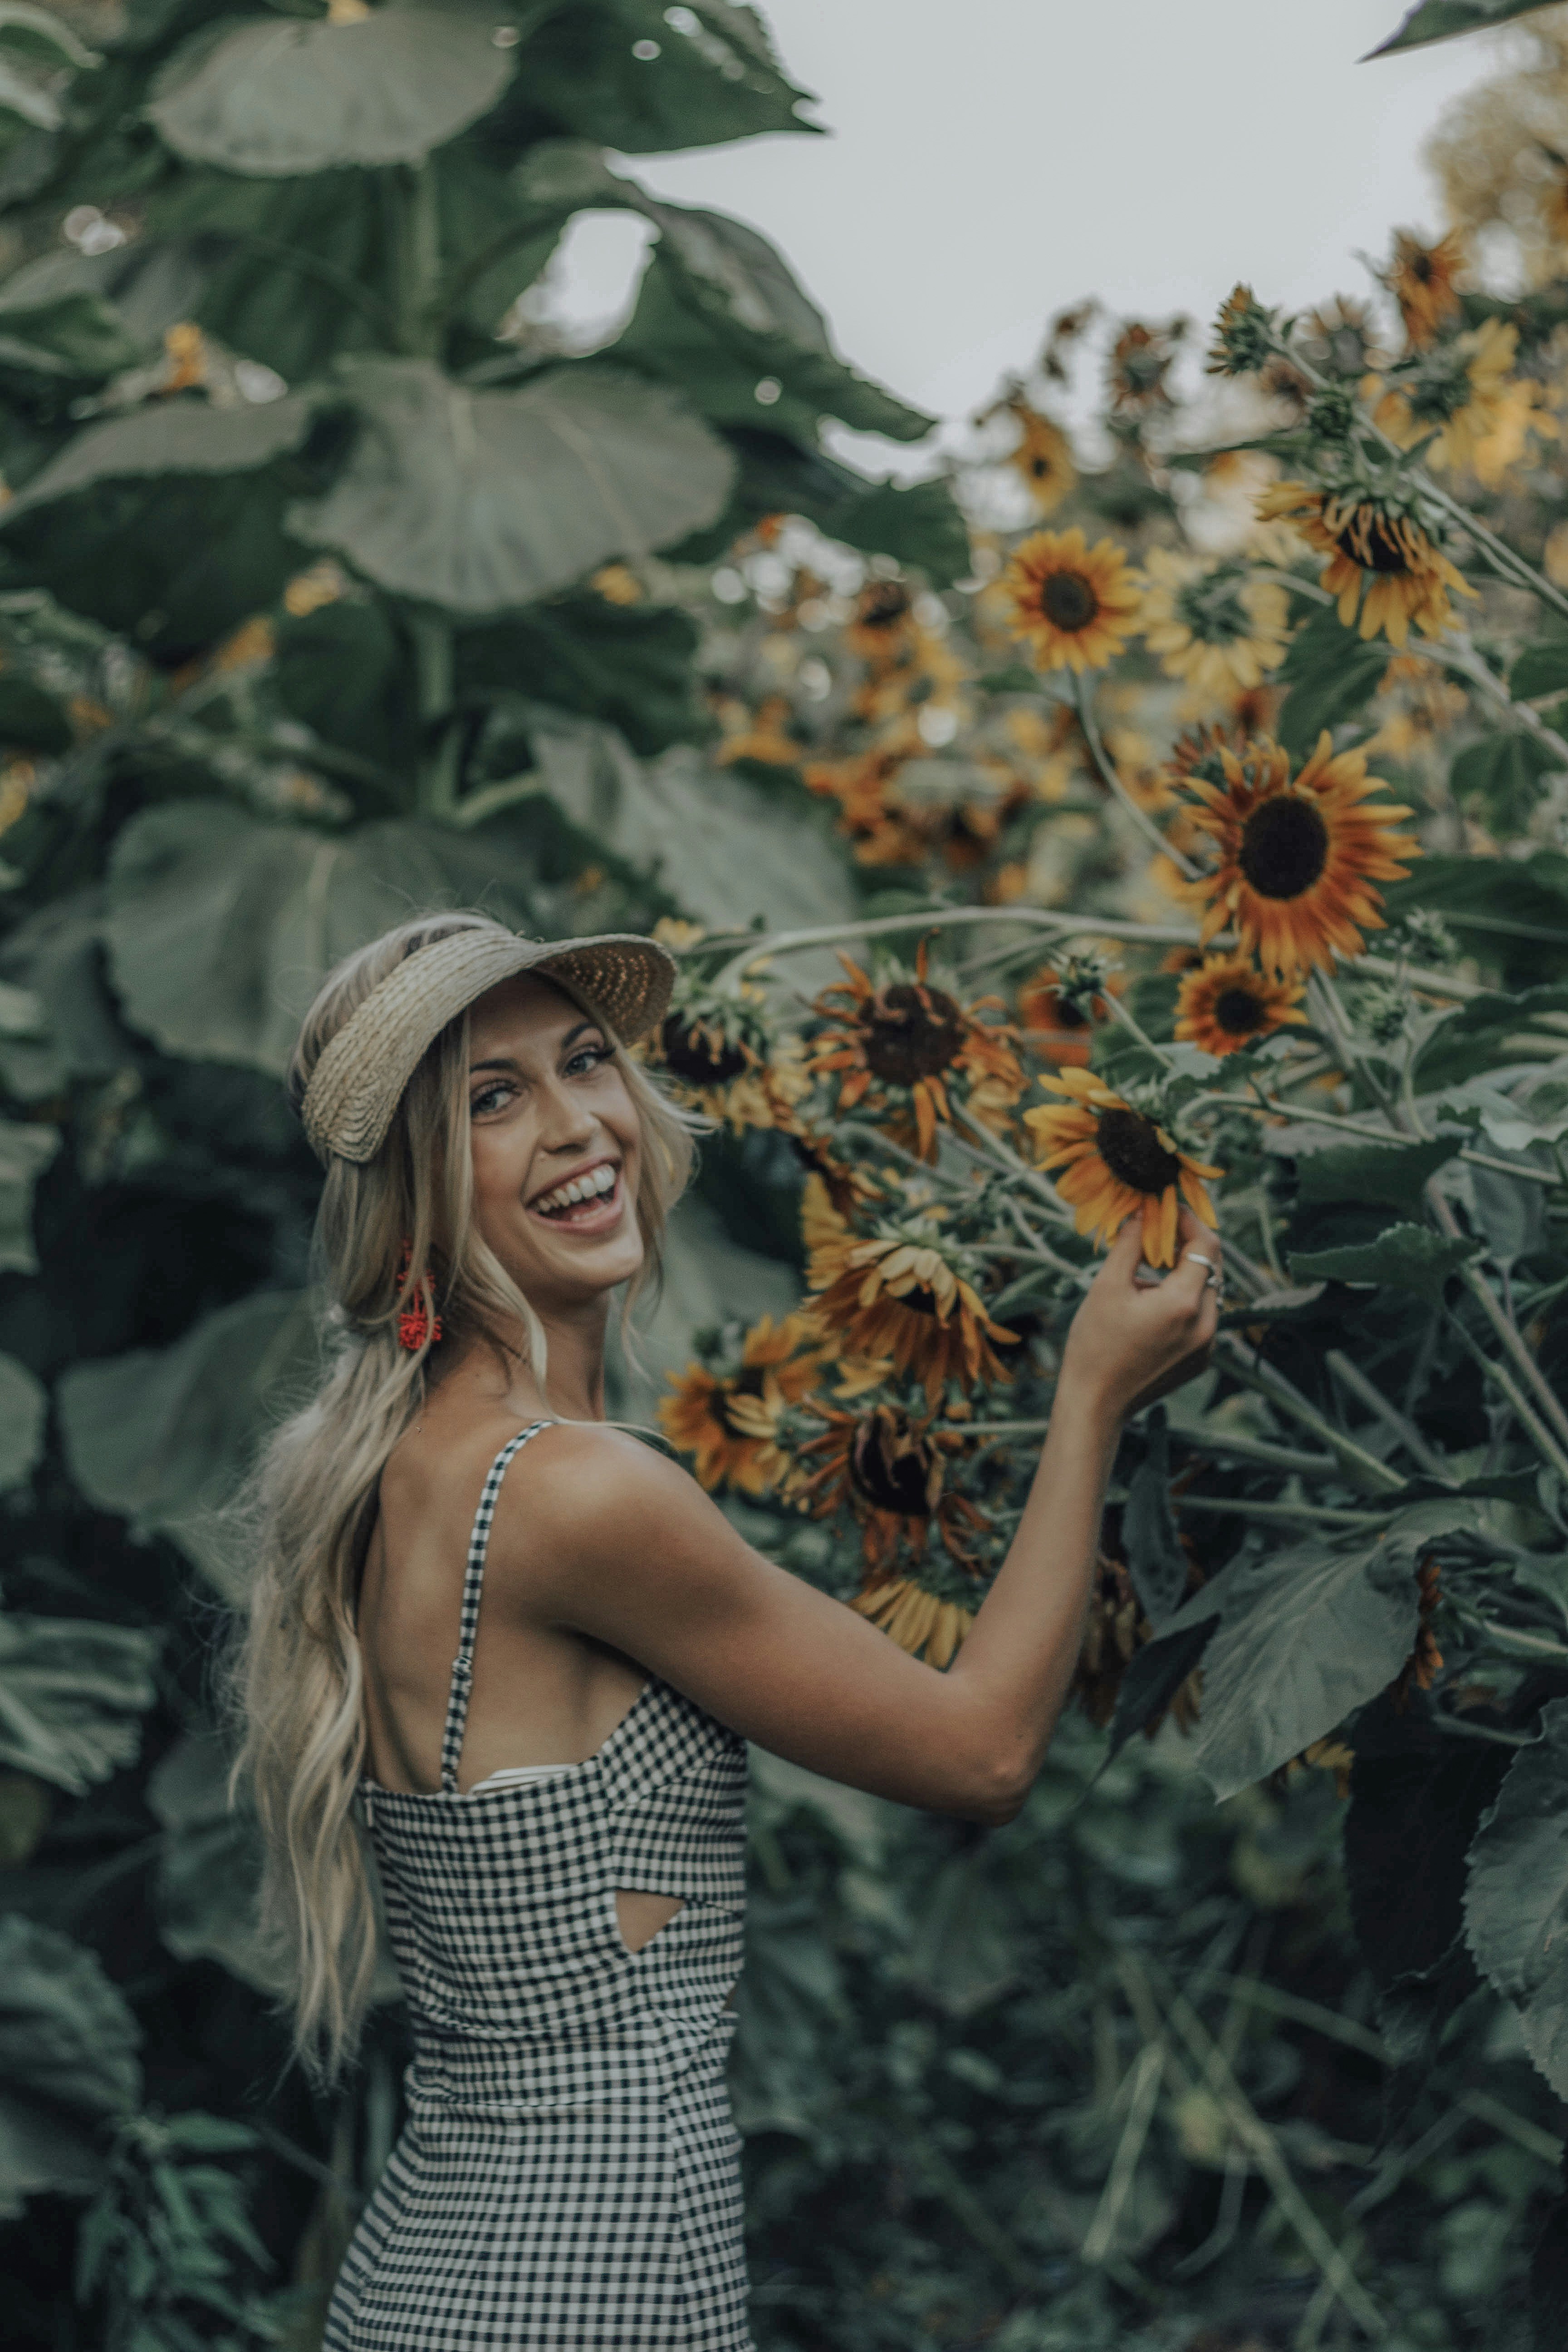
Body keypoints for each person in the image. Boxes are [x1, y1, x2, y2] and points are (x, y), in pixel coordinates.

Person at [234, 908, 1220, 2352]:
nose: (580, 1124)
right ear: (414, 1196)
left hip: (456, 2270)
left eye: (585, 1062)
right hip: (581, 2290)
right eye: (492, 1101)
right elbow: (983, 1754)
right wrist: (1088, 1400)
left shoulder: (407, 1474)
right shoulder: (576, 1494)